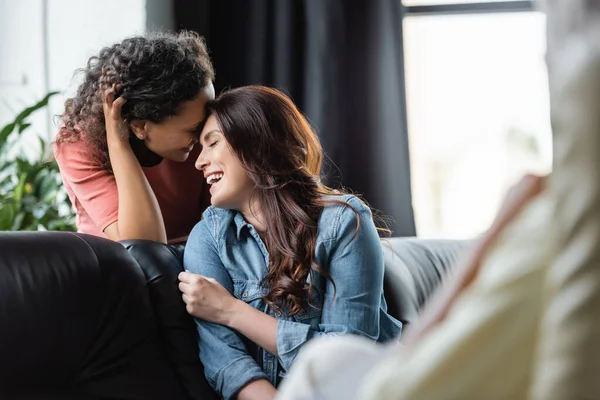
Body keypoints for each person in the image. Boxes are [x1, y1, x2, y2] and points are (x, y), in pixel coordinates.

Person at [178, 85, 402, 400]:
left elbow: (347, 358)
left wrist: (233, 311)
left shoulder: (342, 221)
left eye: (212, 143)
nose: (199, 162)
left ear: (256, 143)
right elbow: (228, 364)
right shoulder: (208, 239)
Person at [54, 31, 215, 244]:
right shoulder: (77, 142)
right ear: (140, 126)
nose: (204, 136)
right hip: (119, 264)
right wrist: (118, 143)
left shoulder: (203, 128)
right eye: (194, 129)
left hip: (192, 256)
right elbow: (144, 246)